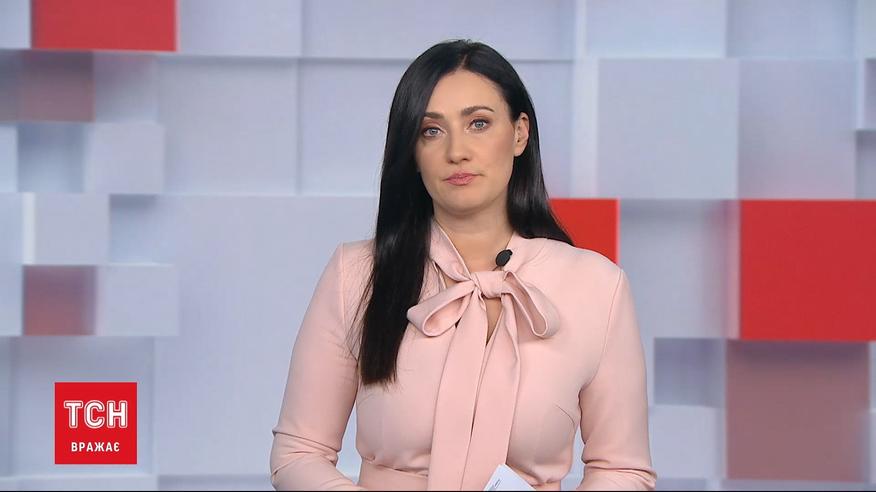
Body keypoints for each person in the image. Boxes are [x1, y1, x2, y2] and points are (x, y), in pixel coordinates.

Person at [269, 39, 657, 491]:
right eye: (431, 130)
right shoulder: (356, 274)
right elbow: (298, 453)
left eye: (478, 123)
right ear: (411, 151)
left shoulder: (598, 287)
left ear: (519, 133)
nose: (457, 151)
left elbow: (622, 469)